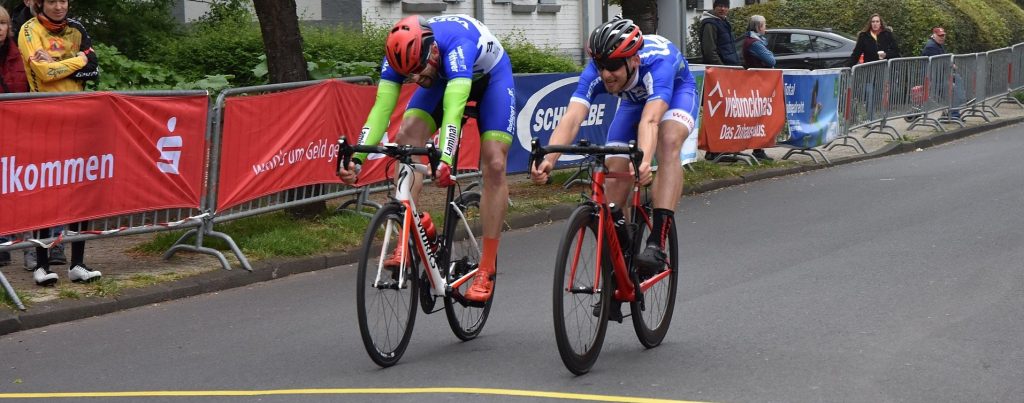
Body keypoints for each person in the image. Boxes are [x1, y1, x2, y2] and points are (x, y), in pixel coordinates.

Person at [337, 15, 514, 303]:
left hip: (490, 80)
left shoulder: (457, 46)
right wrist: (356, 158)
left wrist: (445, 158)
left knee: (494, 163)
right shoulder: (400, 57)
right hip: (443, 77)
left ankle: (487, 268)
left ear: (432, 51)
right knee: (407, 135)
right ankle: (413, 229)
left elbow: (453, 111)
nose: (415, 79)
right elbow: (381, 109)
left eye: (418, 70)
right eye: (409, 76)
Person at [530, 18, 698, 278]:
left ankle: (657, 242)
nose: (606, 74)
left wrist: (643, 161)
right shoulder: (595, 73)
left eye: (612, 67)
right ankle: (622, 262)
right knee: (614, 177)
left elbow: (651, 120)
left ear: (634, 61)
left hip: (675, 94)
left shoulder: (657, 65)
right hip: (633, 103)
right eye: (600, 66)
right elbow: (573, 118)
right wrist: (549, 159)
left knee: (667, 142)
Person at [17, 0, 100, 285]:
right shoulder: (29, 29)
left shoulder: (76, 28)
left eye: (62, 0)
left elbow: (95, 69)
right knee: (47, 192)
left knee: (81, 192)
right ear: (40, 3)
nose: (58, 6)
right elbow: (43, 73)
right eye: (51, 1)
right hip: (46, 118)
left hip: (78, 118)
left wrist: (61, 65)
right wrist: (78, 61)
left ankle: (77, 264)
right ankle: (41, 265)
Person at [0, 4, 28, 267]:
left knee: (13, 186)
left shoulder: (18, 54)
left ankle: (12, 239)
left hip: (16, 129)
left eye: (1, 24)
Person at [699, 0, 740, 162]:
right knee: (716, 111)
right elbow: (710, 51)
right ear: (714, 7)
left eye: (726, 6)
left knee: (724, 111)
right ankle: (713, 151)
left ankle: (720, 149)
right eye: (720, 6)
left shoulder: (723, 23)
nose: (723, 9)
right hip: (719, 74)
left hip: (727, 72)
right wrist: (721, 69)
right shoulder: (710, 24)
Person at [740, 14, 775, 161]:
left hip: (757, 82)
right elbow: (771, 59)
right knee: (757, 116)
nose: (765, 28)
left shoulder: (754, 41)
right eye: (764, 25)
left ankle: (757, 148)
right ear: (758, 27)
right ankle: (757, 149)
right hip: (757, 83)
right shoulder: (755, 43)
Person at [921, 26, 963, 120]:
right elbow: (940, 62)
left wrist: (950, 65)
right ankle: (954, 114)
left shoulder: (938, 45)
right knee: (952, 87)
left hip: (940, 76)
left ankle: (958, 105)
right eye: (940, 36)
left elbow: (944, 60)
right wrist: (950, 65)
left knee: (958, 79)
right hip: (934, 79)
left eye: (943, 35)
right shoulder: (931, 47)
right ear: (934, 36)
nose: (942, 37)